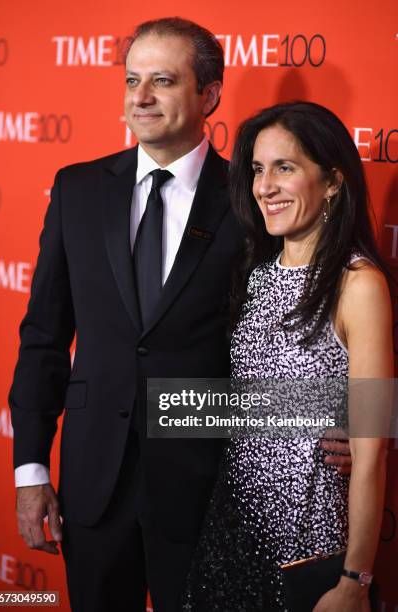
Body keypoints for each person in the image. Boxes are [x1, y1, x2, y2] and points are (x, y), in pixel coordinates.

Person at [9, 19, 351, 611]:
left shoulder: (255, 201)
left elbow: (296, 339)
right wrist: (31, 470)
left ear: (210, 94)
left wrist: (352, 418)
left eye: (162, 81)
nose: (140, 98)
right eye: (132, 80)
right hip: (92, 484)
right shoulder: (78, 190)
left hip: (208, 488)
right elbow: (43, 337)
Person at [184, 101, 393, 611]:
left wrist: (353, 581)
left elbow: (370, 452)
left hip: (308, 553)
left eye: (285, 167)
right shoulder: (254, 273)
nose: (265, 186)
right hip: (229, 536)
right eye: (258, 169)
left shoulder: (357, 283)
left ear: (334, 182)